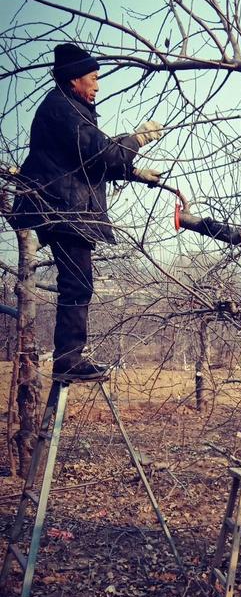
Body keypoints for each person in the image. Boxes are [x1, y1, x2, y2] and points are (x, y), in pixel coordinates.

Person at [12, 42, 163, 381]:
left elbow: (90, 160)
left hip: (63, 208)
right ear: (74, 79)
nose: (97, 85)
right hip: (62, 210)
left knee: (77, 283)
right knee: (78, 284)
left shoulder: (69, 109)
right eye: (93, 78)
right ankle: (68, 361)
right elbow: (102, 155)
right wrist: (137, 138)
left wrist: (133, 171)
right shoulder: (64, 110)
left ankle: (69, 358)